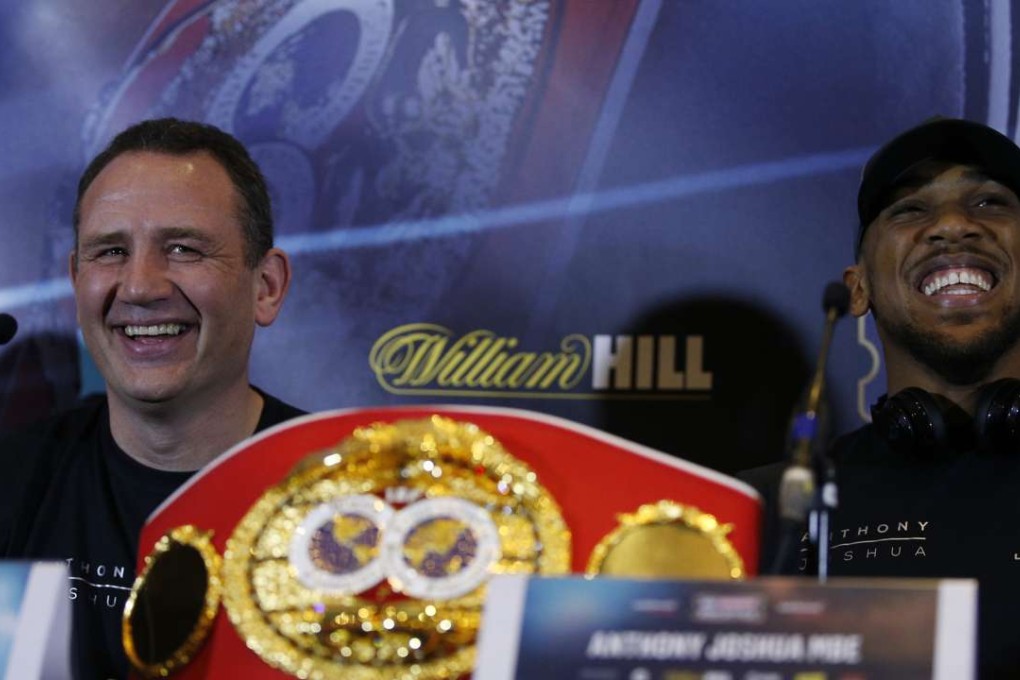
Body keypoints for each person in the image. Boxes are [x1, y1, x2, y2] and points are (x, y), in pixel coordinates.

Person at [0, 118, 304, 679]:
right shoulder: (12, 481)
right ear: (76, 281)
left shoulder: (350, 499)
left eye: (184, 249)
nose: (140, 287)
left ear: (267, 286)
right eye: (110, 251)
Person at [743, 117, 1020, 679]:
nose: (953, 226)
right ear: (859, 288)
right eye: (910, 210)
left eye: (990, 203)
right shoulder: (768, 512)